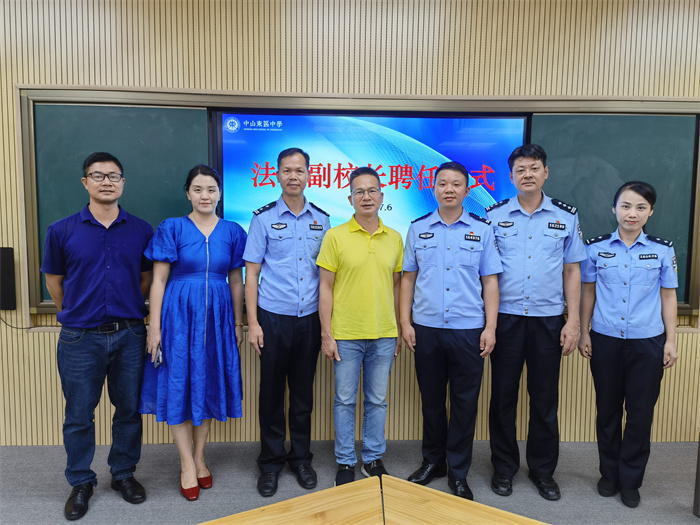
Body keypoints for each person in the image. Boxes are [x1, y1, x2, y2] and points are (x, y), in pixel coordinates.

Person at [41, 152, 153, 521]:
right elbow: (54, 281)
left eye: (114, 175)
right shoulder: (61, 230)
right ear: (85, 182)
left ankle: (123, 474)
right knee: (78, 414)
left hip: (129, 334)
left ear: (123, 182)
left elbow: (145, 279)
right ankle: (80, 482)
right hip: (80, 337)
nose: (107, 181)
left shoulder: (141, 230)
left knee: (128, 410)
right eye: (98, 175)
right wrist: (75, 313)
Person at [485, 144, 586, 501]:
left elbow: (572, 271)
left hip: (548, 320)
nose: (527, 174)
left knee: (544, 399)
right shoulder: (494, 216)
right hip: (507, 319)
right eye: (520, 169)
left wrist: (573, 322)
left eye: (534, 168)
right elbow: (486, 274)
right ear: (511, 176)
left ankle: (543, 471)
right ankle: (504, 468)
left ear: (546, 172)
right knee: (503, 398)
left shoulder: (566, 216)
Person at [140, 165, 246, 501]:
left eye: (211, 189)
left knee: (207, 382)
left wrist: (238, 322)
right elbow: (159, 280)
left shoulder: (232, 231)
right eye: (198, 189)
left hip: (218, 317)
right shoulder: (171, 227)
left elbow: (236, 280)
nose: (205, 196)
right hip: (178, 315)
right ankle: (186, 463)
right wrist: (154, 327)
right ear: (188, 193)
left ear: (220, 194)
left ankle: (200, 457)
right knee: (179, 384)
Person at [400, 162, 502, 500]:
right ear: (434, 189)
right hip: (426, 327)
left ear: (467, 190)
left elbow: (490, 282)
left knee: (464, 403)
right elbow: (408, 279)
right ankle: (433, 462)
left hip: (468, 330)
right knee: (431, 401)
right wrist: (405, 322)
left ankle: (458, 471)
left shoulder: (482, 230)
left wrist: (490, 327)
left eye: (456, 184)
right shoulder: (418, 228)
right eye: (442, 183)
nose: (449, 189)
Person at [578, 181, 678, 509]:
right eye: (625, 206)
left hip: (647, 342)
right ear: (614, 209)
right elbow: (588, 293)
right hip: (605, 339)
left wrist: (671, 341)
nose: (631, 213)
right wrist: (584, 332)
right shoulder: (595, 248)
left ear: (650, 212)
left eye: (640, 207)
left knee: (639, 414)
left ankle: (630, 480)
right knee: (607, 411)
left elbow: (668, 297)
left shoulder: (662, 250)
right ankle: (609, 475)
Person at [243, 147, 330, 497]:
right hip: (273, 317)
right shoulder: (262, 218)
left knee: (303, 393)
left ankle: (301, 458)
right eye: (287, 170)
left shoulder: (322, 219)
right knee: (271, 394)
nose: (293, 176)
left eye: (299, 170)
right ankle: (270, 462)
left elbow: (327, 276)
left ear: (309, 174)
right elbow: (251, 274)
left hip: (309, 318)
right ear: (277, 174)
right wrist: (253, 323)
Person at [316, 166, 403, 486]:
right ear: (350, 198)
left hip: (384, 334)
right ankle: (345, 461)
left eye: (372, 190)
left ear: (382, 195)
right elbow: (325, 288)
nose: (366, 197)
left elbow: (397, 287)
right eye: (359, 191)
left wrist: (398, 328)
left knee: (377, 401)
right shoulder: (335, 236)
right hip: (345, 335)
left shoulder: (395, 238)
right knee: (344, 401)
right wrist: (327, 334)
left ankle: (373, 458)